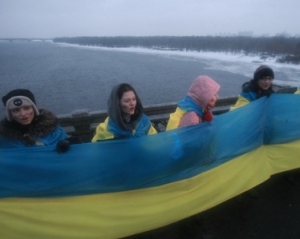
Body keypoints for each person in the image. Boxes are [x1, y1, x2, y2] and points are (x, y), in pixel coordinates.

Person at [0, 89, 81, 152]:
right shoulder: (4, 137)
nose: (23, 114)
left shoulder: (52, 128)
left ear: (34, 108)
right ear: (10, 114)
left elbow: (67, 141)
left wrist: (71, 142)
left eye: (27, 108)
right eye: (16, 110)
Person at [91, 83, 157, 141]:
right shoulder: (107, 129)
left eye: (134, 99)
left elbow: (156, 143)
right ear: (117, 104)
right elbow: (98, 150)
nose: (132, 103)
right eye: (127, 101)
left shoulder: (144, 122)